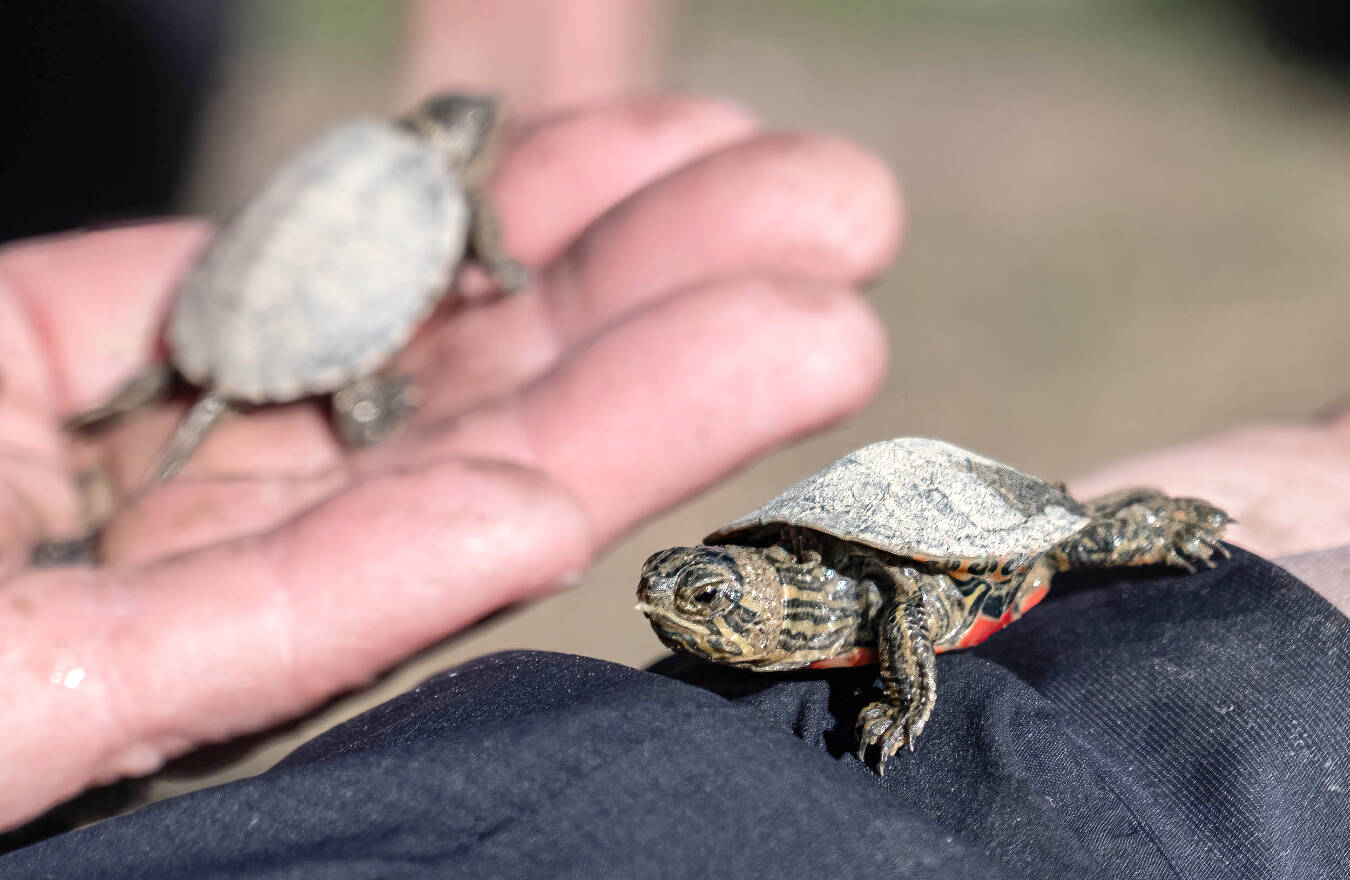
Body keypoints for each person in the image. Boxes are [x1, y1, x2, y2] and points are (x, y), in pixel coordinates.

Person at [0, 3, 1346, 874]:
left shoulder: (846, 597)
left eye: (696, 593)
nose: (668, 601)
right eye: (684, 590)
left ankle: (1144, 528)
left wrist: (899, 678)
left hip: (946, 530)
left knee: (1086, 535)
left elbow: (906, 601)